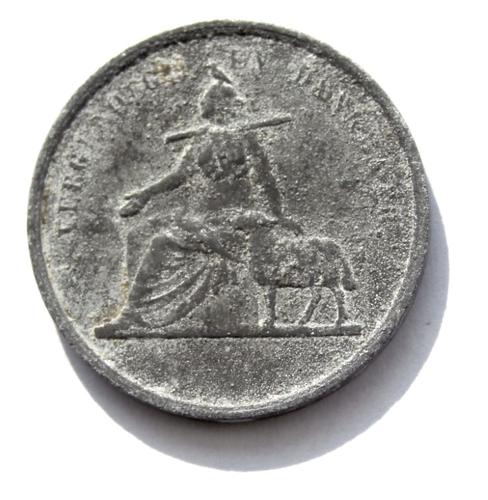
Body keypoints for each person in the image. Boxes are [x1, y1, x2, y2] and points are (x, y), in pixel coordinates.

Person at [96, 67, 299, 336]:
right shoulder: (201, 141)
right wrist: (144, 195)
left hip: (234, 222)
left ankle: (132, 316)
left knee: (160, 243)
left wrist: (276, 216)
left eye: (208, 102)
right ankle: (134, 314)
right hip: (202, 220)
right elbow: (179, 176)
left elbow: (266, 180)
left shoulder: (247, 140)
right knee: (138, 234)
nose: (203, 106)